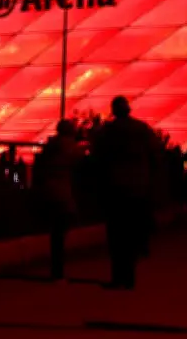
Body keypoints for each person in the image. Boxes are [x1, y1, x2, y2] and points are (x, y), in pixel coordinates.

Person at [91, 96, 162, 290]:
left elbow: (97, 157)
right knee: (132, 231)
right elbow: (155, 154)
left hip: (114, 188)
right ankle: (130, 275)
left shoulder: (108, 131)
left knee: (116, 234)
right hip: (138, 188)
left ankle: (118, 276)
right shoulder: (142, 129)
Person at [34, 119, 84, 281]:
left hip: (49, 191)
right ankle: (58, 272)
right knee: (61, 232)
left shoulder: (51, 145)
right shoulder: (70, 147)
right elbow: (81, 163)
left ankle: (56, 271)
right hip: (63, 193)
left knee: (56, 233)